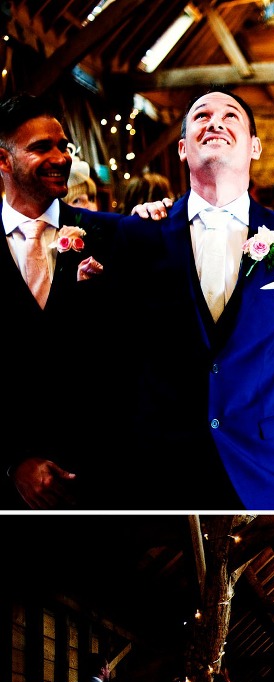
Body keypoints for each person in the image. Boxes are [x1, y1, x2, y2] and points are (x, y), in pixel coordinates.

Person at [108, 87, 274, 509]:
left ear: (254, 147)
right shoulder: (140, 234)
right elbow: (121, 345)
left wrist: (260, 407)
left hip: (265, 460)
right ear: (183, 147)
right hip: (164, 461)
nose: (215, 122)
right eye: (201, 116)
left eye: (231, 116)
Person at [0, 93, 118, 509]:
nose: (60, 157)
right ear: (3, 161)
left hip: (97, 476)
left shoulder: (109, 236)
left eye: (62, 146)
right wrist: (12, 465)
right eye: (40, 147)